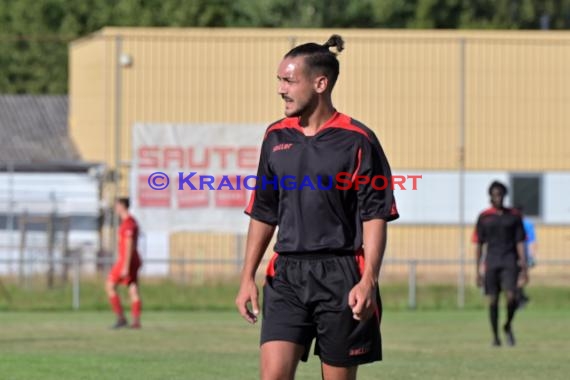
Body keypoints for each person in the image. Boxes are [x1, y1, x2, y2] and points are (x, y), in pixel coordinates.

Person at [235, 35, 399, 380]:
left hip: (342, 275)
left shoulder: (358, 139)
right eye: (279, 80)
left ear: (320, 83)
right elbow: (264, 211)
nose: (281, 89)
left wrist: (369, 280)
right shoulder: (275, 137)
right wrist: (247, 276)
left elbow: (375, 216)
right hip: (287, 275)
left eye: (289, 81)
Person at [473, 181, 528, 347]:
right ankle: (495, 337)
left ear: (505, 196)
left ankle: (507, 325)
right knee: (493, 300)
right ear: (490, 196)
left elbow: (520, 242)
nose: (498, 198)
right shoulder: (484, 217)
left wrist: (524, 268)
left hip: (510, 261)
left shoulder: (514, 216)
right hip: (492, 261)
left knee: (512, 297)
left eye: (501, 194)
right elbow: (478, 244)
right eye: (495, 195)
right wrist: (477, 271)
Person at [106, 197, 143, 329]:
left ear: (122, 206)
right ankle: (136, 321)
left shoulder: (128, 224)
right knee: (133, 290)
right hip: (133, 259)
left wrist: (125, 266)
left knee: (110, 286)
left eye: (116, 205)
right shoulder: (131, 222)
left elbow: (128, 246)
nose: (115, 208)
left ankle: (121, 318)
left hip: (127, 261)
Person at [513, 205, 537, 309]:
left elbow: (532, 240)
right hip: (512, 255)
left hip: (523, 255)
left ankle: (520, 300)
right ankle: (521, 298)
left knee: (521, 278)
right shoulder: (512, 223)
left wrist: (532, 255)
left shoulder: (527, 224)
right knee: (514, 278)